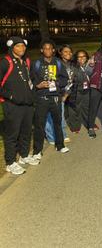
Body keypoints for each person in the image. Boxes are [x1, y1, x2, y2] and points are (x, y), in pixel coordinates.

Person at [0, 37, 39, 175]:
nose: (22, 49)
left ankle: (24, 155)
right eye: (18, 46)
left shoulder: (27, 61)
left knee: (26, 132)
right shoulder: (5, 62)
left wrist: (32, 94)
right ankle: (10, 163)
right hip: (12, 105)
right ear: (12, 48)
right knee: (12, 135)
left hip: (27, 104)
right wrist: (10, 96)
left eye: (23, 46)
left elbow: (31, 80)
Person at [31, 40, 70, 158]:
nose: (48, 50)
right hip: (41, 98)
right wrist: (38, 85)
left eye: (50, 48)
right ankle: (37, 151)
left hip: (55, 98)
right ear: (42, 50)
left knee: (57, 123)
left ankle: (60, 145)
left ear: (53, 50)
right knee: (39, 125)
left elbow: (65, 79)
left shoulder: (58, 62)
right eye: (45, 48)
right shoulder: (36, 63)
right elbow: (31, 79)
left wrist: (56, 83)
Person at [45, 45, 72, 144]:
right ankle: (52, 137)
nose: (68, 53)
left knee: (60, 115)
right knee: (50, 116)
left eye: (69, 51)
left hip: (62, 92)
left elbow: (69, 80)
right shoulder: (53, 62)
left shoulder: (68, 64)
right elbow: (52, 80)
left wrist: (66, 93)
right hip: (51, 93)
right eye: (65, 51)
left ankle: (62, 134)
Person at [67, 50, 91, 133]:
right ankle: (75, 126)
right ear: (76, 58)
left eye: (83, 56)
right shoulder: (74, 67)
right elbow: (70, 80)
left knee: (87, 107)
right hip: (77, 90)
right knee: (75, 109)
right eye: (79, 57)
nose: (82, 58)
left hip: (87, 90)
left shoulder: (88, 66)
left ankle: (89, 124)